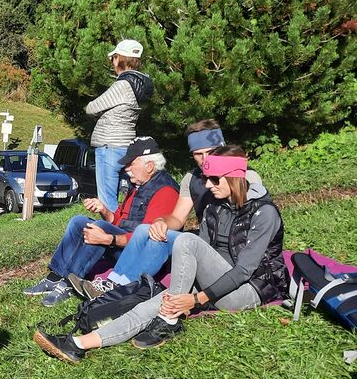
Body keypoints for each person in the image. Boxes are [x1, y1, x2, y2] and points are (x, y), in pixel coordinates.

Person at [34, 146, 288, 362]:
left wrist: (196, 299)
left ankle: (168, 320)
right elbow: (206, 251)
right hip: (216, 281)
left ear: (234, 178)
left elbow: (243, 271)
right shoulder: (215, 206)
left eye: (215, 179)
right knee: (154, 303)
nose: (208, 185)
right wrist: (182, 294)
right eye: (206, 178)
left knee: (185, 243)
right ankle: (79, 344)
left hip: (249, 290)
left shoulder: (263, 212)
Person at [72, 120, 266, 298]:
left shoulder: (245, 176)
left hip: (233, 248)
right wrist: (161, 221)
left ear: (222, 148)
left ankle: (126, 288)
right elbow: (178, 218)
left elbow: (258, 215)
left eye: (211, 151)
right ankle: (113, 283)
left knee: (161, 239)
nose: (205, 158)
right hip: (207, 240)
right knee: (148, 229)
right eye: (198, 154)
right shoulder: (191, 179)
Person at [22, 137, 179, 307]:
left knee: (99, 227)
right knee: (78, 221)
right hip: (122, 242)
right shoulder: (138, 186)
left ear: (149, 166)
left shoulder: (165, 191)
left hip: (133, 254)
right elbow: (118, 220)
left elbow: (147, 238)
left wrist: (109, 239)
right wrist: (103, 210)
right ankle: (55, 277)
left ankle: (70, 282)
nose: (126, 169)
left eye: (131, 164)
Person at [85, 39, 154, 213]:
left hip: (109, 145)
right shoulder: (140, 84)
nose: (112, 62)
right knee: (128, 196)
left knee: (107, 201)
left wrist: (101, 113)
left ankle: (116, 229)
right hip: (126, 144)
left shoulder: (123, 85)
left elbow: (91, 108)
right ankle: (127, 223)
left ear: (119, 59)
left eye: (113, 58)